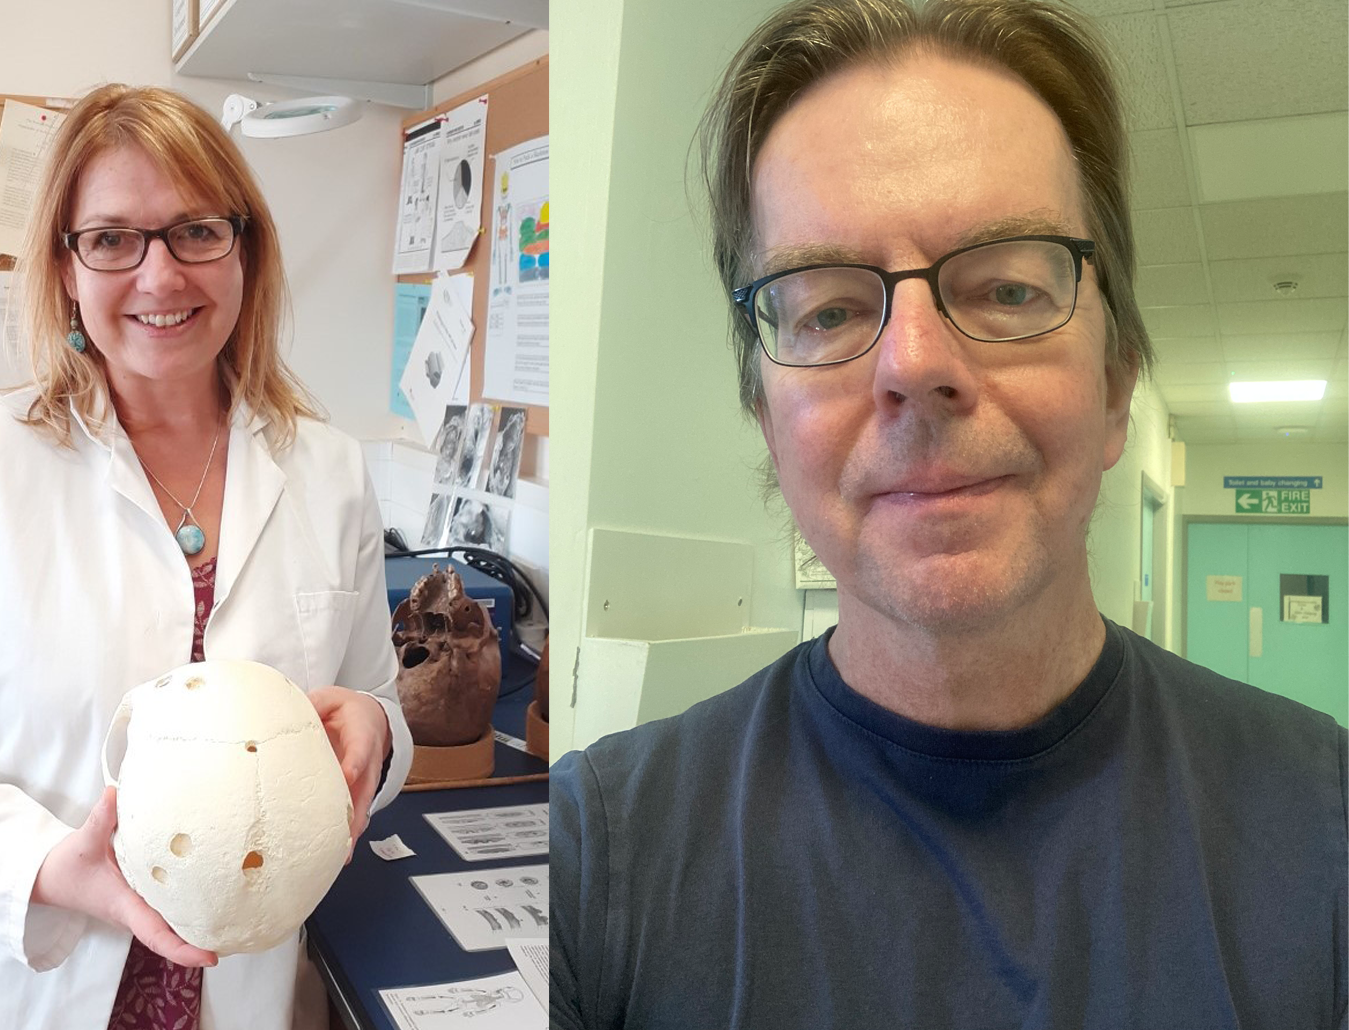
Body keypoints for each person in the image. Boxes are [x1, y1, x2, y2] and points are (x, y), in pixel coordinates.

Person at [549, 1, 1348, 1027]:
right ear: (764, 413)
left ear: (1114, 389)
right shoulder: (594, 857)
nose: (915, 365)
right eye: (828, 306)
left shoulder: (1321, 828)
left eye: (1008, 289)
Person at [0, 84, 413, 1030]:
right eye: (111, 239)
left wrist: (375, 737)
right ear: (66, 267)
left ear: (245, 248)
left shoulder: (330, 471)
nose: (159, 277)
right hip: (20, 980)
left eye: (195, 231)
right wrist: (46, 869)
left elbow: (374, 701)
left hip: (230, 986)